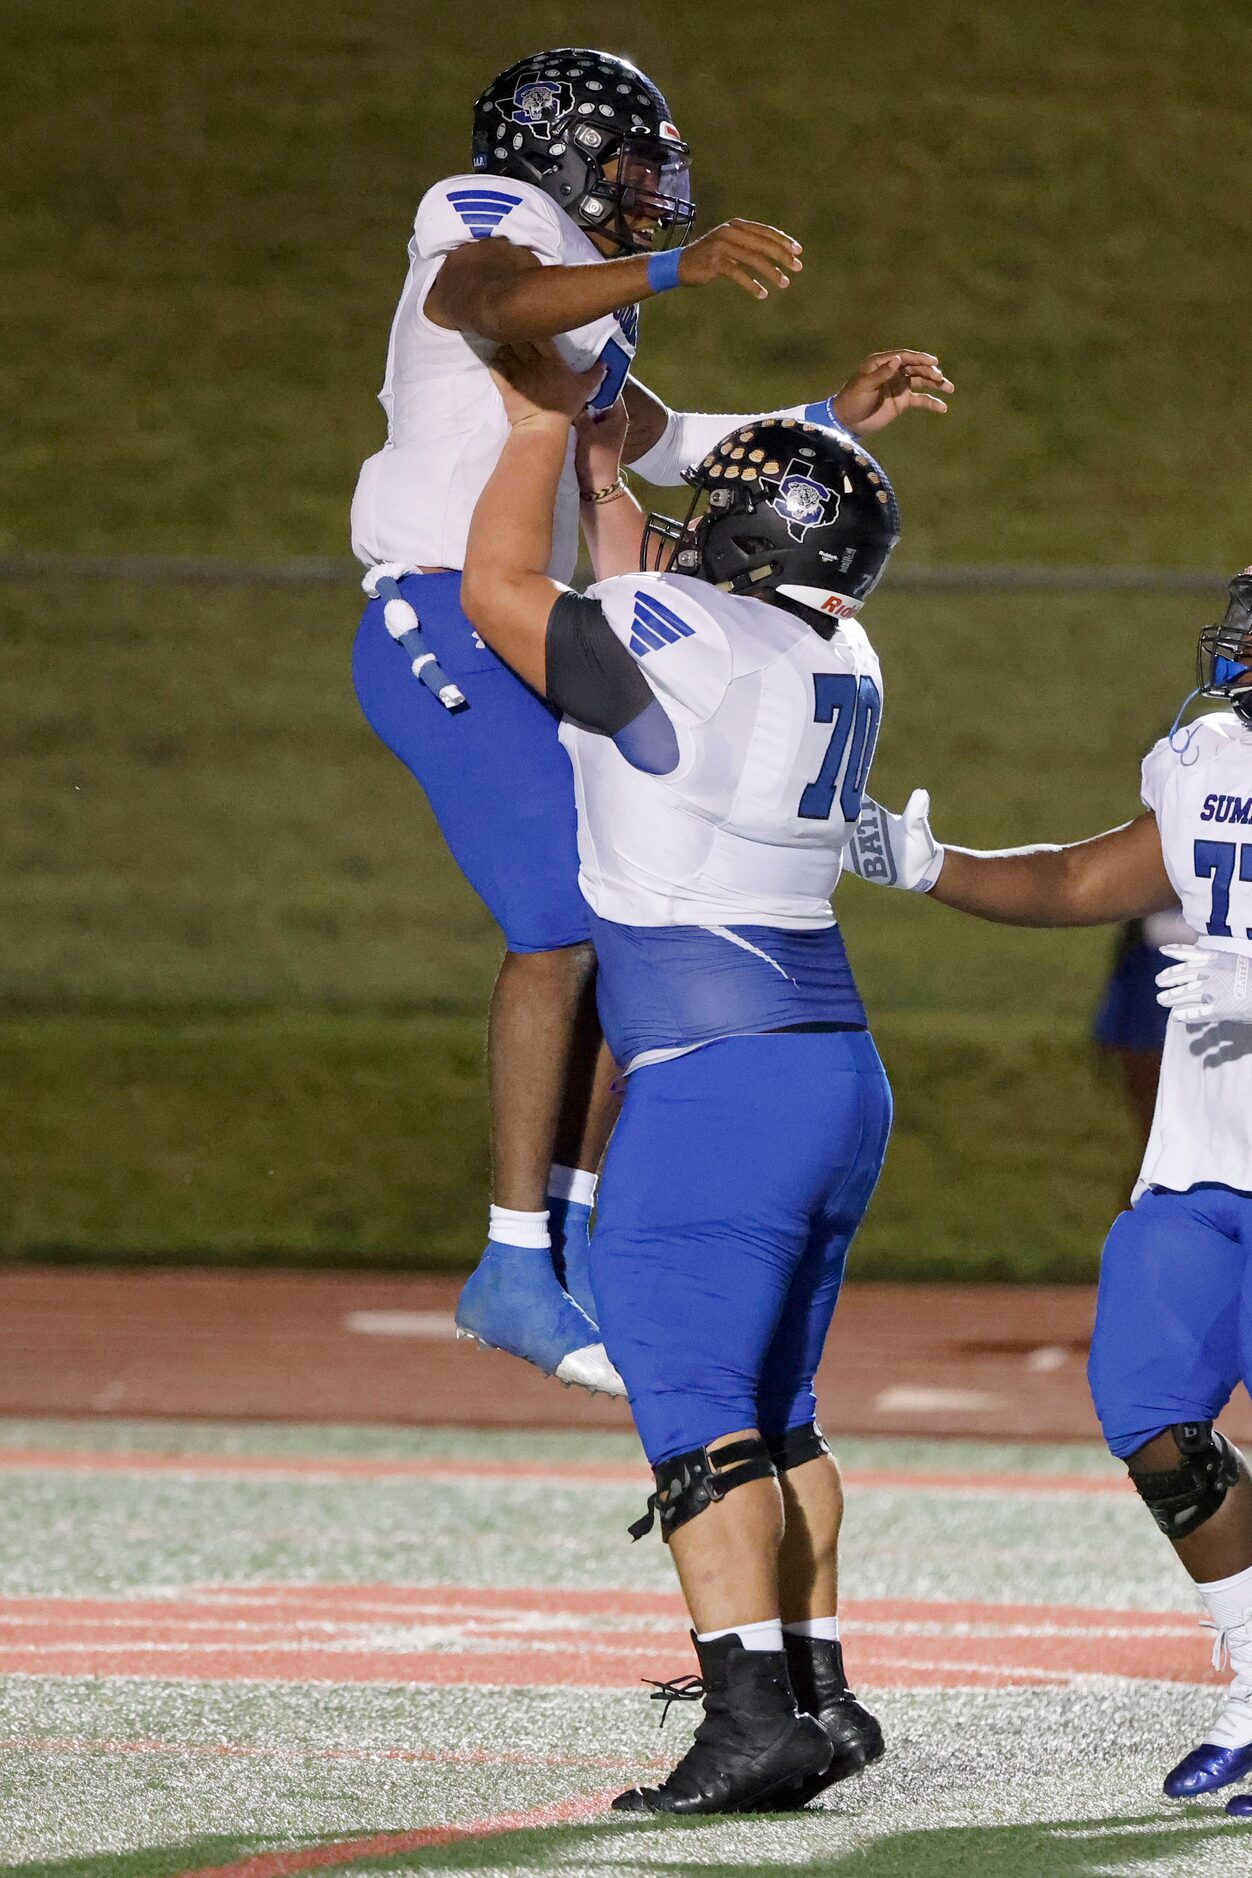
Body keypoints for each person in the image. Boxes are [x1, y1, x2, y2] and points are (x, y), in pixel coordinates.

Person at [349, 45, 953, 1393]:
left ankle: (563, 1224)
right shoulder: (487, 212)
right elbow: (479, 297)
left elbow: (664, 442)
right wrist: (673, 268)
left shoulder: (589, 296)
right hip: (440, 608)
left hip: (518, 608)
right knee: (562, 919)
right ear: (555, 152)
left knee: (628, 910)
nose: (649, 194)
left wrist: (829, 421)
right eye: (627, 166)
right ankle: (512, 1262)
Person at [457, 338, 902, 1814]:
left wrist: (534, 435)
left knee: (697, 1399)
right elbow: (667, 615)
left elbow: (498, 599)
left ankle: (751, 1716)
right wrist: (606, 477)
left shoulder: (681, 630)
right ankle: (822, 1693)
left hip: (716, 1082)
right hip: (829, 1068)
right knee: (782, 1410)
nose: (684, 521)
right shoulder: (836, 647)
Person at [844, 570, 1252, 1817]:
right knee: (1146, 1406)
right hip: (1202, 1165)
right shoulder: (1211, 757)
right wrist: (933, 868)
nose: (1234, 656)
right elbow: (1084, 879)